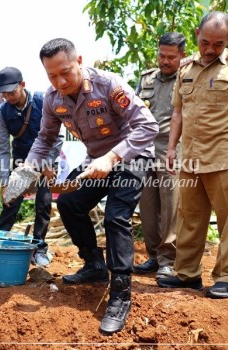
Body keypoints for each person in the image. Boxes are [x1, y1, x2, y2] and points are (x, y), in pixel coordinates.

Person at [24, 38, 158, 334]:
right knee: (70, 204)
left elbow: (148, 126)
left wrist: (112, 157)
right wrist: (28, 166)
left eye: (65, 72)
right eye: (51, 75)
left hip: (131, 156)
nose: (59, 81)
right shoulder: (52, 99)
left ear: (79, 61)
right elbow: (45, 138)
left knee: (115, 217)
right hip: (95, 159)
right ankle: (94, 265)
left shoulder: (108, 84)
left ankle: (120, 293)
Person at [157, 11, 228, 299]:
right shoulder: (185, 71)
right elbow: (177, 113)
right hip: (190, 157)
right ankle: (187, 275)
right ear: (196, 35)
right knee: (189, 218)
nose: (211, 49)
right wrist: (172, 148)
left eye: (219, 44)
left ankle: (225, 276)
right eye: (205, 43)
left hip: (223, 157)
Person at [0, 67, 63, 267]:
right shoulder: (2, 112)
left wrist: (47, 164)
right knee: (10, 201)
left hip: (46, 158)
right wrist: (5, 180)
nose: (8, 96)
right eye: (4, 93)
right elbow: (1, 147)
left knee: (43, 203)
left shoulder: (43, 101)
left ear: (22, 85)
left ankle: (39, 248)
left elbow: (57, 136)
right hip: (21, 158)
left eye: (11, 92)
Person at [133, 32, 186, 280]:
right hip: (144, 150)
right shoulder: (146, 79)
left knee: (170, 208)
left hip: (171, 151)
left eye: (171, 57)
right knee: (147, 207)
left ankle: (168, 259)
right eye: (161, 55)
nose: (165, 61)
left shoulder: (187, 79)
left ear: (182, 56)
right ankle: (154, 256)